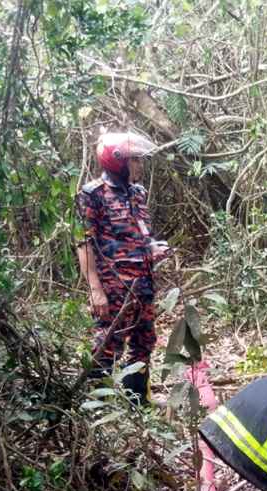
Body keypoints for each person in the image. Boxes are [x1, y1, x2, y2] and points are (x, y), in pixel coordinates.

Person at [75, 131, 166, 403]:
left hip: (144, 284)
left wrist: (153, 249)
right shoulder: (93, 195)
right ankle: (97, 407)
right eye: (135, 160)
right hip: (114, 286)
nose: (140, 165)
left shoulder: (138, 193)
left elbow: (140, 234)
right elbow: (84, 242)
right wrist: (95, 289)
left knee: (144, 343)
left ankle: (136, 401)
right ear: (117, 162)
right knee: (107, 345)